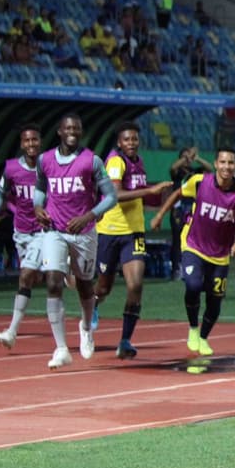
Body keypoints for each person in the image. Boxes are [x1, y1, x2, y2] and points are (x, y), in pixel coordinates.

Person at [31, 114, 118, 368]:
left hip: (85, 231)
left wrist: (89, 216)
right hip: (54, 230)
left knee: (84, 286)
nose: (72, 132)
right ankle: (60, 348)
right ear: (59, 131)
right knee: (54, 282)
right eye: (68, 128)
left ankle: (86, 327)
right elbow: (39, 190)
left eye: (77, 128)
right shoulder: (44, 160)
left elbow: (111, 197)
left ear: (81, 132)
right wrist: (38, 208)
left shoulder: (92, 161)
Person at [153, 147, 235, 355]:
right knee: (193, 284)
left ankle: (204, 337)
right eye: (223, 162)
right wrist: (160, 215)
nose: (226, 167)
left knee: (215, 301)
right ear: (216, 164)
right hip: (193, 244)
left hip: (220, 255)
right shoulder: (200, 181)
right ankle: (193, 328)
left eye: (230, 163)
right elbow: (177, 193)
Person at [91, 121, 174, 358]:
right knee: (104, 286)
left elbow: (136, 194)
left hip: (134, 232)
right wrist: (149, 191)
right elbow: (116, 194)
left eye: (134, 139)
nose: (131, 143)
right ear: (119, 142)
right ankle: (94, 304)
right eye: (126, 139)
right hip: (110, 230)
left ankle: (125, 340)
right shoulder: (116, 161)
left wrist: (156, 201)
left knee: (136, 284)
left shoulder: (139, 162)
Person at [0, 122, 45, 348]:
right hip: (21, 231)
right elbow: (1, 195)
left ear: (40, 141)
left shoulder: (48, 166)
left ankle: (11, 331)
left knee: (27, 274)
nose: (31, 144)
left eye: (35, 139)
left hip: (44, 230)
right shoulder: (11, 168)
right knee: (32, 278)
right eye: (27, 140)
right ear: (21, 144)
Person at [153, 147, 213, 280]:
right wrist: (185, 158)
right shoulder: (177, 173)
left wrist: (196, 158)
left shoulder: (195, 172)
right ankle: (176, 269)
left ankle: (192, 268)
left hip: (192, 208)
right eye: (184, 157)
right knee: (178, 239)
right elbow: (173, 167)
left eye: (189, 157)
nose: (188, 159)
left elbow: (209, 169)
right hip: (178, 210)